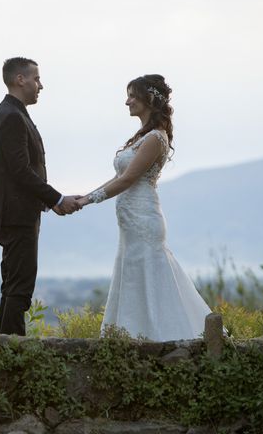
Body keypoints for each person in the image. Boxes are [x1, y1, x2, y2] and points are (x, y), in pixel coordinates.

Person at [76, 74, 212, 341]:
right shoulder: (141, 137)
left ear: (149, 99)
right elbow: (119, 178)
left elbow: (127, 179)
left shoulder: (154, 139)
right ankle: (131, 333)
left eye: (132, 96)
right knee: (132, 274)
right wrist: (84, 195)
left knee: (149, 273)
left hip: (143, 217)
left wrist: (86, 201)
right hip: (130, 219)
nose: (127, 102)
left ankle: (156, 337)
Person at [0, 57, 81, 335]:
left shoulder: (10, 113)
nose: (41, 85)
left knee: (14, 287)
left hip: (13, 213)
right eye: (37, 79)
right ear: (20, 79)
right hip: (17, 214)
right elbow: (21, 171)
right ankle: (13, 355)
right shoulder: (12, 117)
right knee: (20, 288)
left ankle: (4, 349)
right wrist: (56, 199)